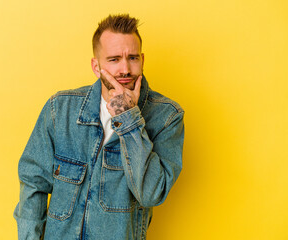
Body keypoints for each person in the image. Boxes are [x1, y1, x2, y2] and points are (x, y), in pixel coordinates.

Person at [14, 14, 185, 240]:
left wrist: (128, 118)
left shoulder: (167, 117)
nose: (125, 69)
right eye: (114, 59)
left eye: (132, 58)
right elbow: (33, 184)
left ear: (142, 59)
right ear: (96, 66)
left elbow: (151, 194)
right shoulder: (60, 109)